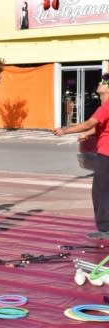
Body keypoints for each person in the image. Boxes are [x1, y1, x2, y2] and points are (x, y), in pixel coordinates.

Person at [54, 74, 109, 239]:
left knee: (100, 192)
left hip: (106, 154)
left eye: (105, 82)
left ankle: (104, 229)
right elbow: (100, 126)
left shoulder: (105, 107)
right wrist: (88, 133)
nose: (100, 83)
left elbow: (90, 122)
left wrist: (65, 130)